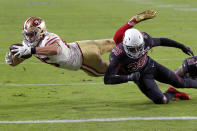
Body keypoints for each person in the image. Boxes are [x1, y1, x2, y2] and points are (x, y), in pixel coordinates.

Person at [104, 10, 197, 104]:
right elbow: (107, 79)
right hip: (141, 76)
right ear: (125, 45)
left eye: (139, 47)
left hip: (151, 65)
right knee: (162, 101)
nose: (137, 51)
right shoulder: (117, 55)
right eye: (132, 49)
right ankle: (171, 92)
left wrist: (181, 46)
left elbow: (161, 41)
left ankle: (185, 72)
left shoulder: (146, 40)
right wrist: (129, 77)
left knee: (180, 83)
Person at [5, 16, 116, 77]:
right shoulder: (29, 44)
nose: (28, 38)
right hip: (81, 46)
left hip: (84, 60)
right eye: (26, 34)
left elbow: (55, 49)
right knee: (113, 42)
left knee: (117, 69)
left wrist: (32, 50)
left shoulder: (48, 39)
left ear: (40, 31)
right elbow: (20, 58)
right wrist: (12, 60)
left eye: (31, 34)